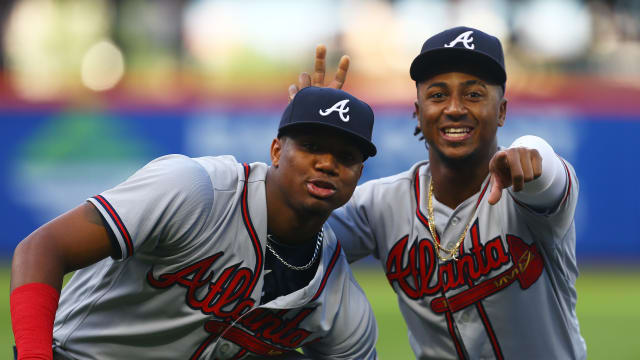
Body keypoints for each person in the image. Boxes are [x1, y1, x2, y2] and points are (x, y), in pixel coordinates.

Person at [10, 86, 379, 360]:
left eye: (345, 157)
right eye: (312, 146)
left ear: (359, 174)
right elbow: (43, 248)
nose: (328, 164)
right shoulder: (195, 189)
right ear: (277, 151)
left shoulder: (338, 295)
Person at [292, 27, 586, 359]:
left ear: (502, 111)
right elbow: (290, 232)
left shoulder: (527, 189)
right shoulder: (380, 205)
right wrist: (307, 132)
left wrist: (532, 149)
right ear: (417, 113)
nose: (455, 108)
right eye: (437, 95)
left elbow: (547, 176)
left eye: (474, 94)